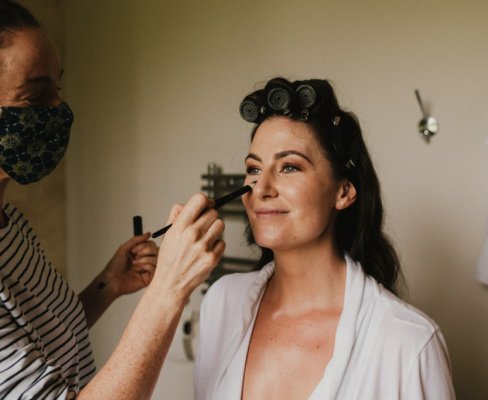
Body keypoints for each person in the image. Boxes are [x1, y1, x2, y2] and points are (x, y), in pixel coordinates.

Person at [0, 1, 224, 398]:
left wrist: (107, 285)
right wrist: (168, 290)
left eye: (59, 90)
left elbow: (43, 349)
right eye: (35, 98)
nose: (59, 111)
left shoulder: (10, 223)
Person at [194, 77, 456, 399]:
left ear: (343, 191)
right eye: (254, 169)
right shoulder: (221, 304)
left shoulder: (408, 342)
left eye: (289, 167)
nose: (261, 190)